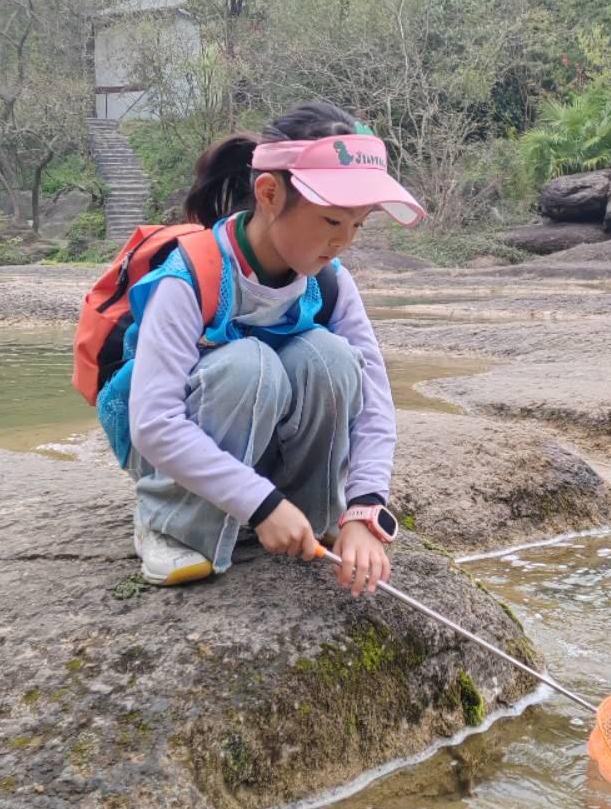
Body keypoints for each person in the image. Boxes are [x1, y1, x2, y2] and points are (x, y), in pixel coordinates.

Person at [104, 99, 424, 593]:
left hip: (261, 445)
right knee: (250, 365)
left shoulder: (331, 282)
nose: (344, 241)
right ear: (270, 194)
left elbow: (375, 403)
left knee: (331, 358)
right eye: (332, 221)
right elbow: (154, 422)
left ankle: (311, 513)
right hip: (176, 450)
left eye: (358, 224)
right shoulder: (190, 276)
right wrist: (260, 503)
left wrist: (365, 507)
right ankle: (171, 523)